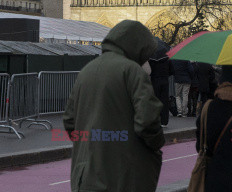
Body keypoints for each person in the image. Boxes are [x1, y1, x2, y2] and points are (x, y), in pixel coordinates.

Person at [63, 20, 164, 192]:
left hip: (85, 175)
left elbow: (69, 121)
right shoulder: (132, 71)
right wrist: (156, 144)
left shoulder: (87, 70)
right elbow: (147, 120)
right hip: (122, 175)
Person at [149, 53, 175, 127]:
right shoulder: (167, 59)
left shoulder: (151, 59)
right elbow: (172, 71)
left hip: (155, 81)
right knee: (164, 100)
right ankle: (164, 121)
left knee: (155, 100)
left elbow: (149, 71)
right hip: (165, 80)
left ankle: (156, 119)